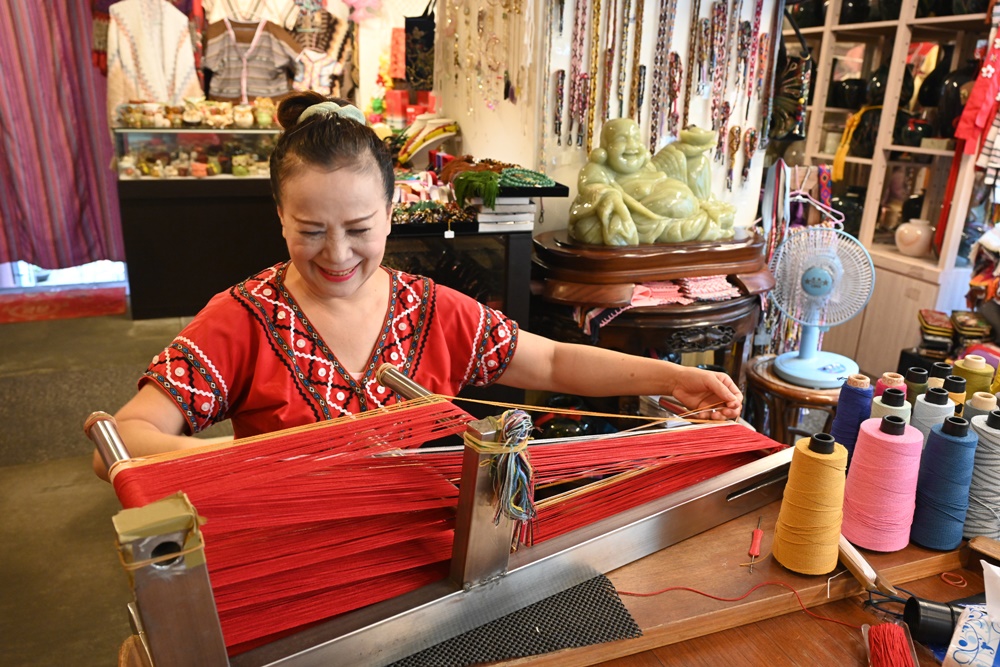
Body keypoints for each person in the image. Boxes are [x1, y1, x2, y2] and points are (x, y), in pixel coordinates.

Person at [93, 92, 743, 480]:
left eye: (359, 226)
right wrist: (250, 466)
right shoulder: (242, 319)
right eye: (311, 229)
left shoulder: (426, 308)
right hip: (293, 561)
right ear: (279, 217)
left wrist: (668, 378)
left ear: (393, 208)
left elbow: (546, 357)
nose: (339, 254)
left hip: (425, 561)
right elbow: (124, 439)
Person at [567, 118, 735, 246]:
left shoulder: (647, 166)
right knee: (589, 229)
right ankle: (700, 221)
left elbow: (669, 167)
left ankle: (701, 217)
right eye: (621, 140)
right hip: (645, 219)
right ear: (604, 148)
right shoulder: (598, 169)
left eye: (635, 138)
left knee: (699, 164)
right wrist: (609, 195)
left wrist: (685, 152)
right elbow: (592, 188)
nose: (631, 145)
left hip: (674, 212)